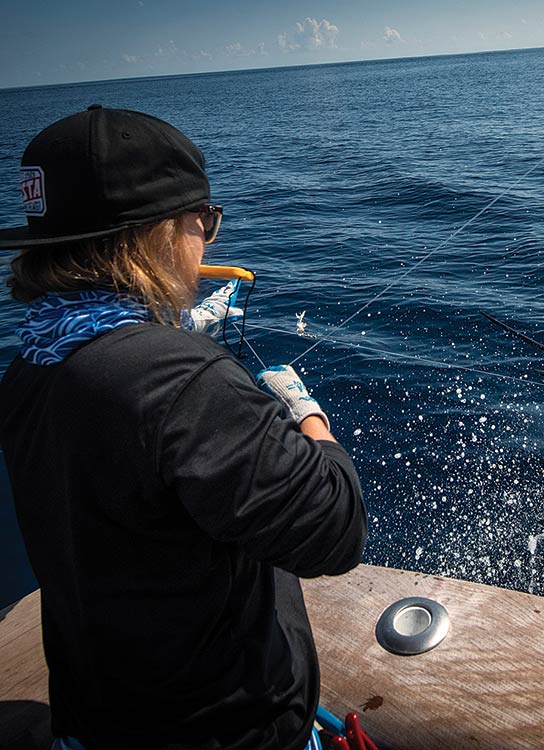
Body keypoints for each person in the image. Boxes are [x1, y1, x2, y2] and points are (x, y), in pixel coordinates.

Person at [0, 105, 368, 750]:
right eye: (205, 220)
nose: (210, 239)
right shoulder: (177, 377)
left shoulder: (32, 364)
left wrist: (161, 345)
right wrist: (309, 418)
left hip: (98, 722)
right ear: (160, 232)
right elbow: (332, 533)